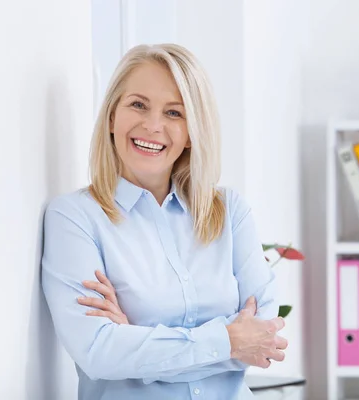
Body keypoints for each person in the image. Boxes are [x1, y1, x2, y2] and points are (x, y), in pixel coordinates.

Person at [41, 43, 287, 400]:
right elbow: (98, 352)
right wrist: (229, 340)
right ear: (112, 116)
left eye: (174, 113)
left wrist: (136, 341)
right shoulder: (75, 218)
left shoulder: (229, 210)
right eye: (138, 105)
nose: (152, 125)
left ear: (192, 132)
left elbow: (262, 337)